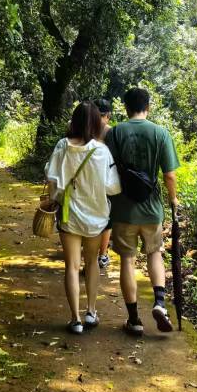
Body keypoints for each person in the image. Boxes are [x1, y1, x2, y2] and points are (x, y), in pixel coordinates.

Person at [105, 87, 179, 335]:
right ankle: (159, 303)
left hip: (123, 209)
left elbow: (106, 169)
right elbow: (169, 174)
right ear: (148, 106)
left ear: (125, 107)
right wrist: (173, 199)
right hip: (151, 209)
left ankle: (134, 319)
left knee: (127, 260)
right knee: (154, 253)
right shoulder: (160, 133)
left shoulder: (115, 133)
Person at [46, 102, 121, 334]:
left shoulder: (62, 146)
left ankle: (75, 319)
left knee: (71, 266)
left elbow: (52, 181)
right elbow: (113, 187)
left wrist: (57, 197)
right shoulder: (102, 151)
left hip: (69, 215)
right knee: (91, 264)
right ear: (96, 123)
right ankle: (91, 312)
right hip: (96, 216)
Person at [94, 99, 113, 271]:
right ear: (108, 115)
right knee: (106, 219)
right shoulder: (110, 132)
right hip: (105, 181)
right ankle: (102, 255)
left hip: (83, 181)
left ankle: (88, 254)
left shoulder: (82, 128)